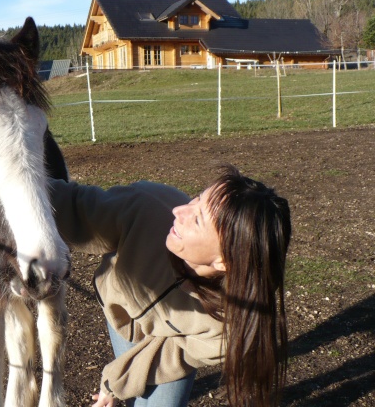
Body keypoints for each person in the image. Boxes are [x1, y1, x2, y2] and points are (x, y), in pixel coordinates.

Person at [49, 164, 291, 407]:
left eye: (197, 220)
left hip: (175, 339)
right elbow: (70, 205)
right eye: (196, 199)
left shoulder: (231, 322)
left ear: (225, 260)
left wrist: (112, 385)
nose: (179, 211)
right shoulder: (144, 208)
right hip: (123, 314)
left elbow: (168, 355)